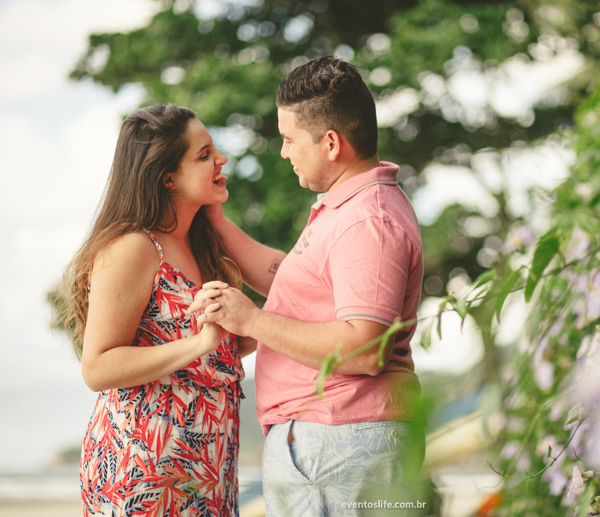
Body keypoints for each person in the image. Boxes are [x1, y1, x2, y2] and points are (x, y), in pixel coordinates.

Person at [189, 55, 426, 515]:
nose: (284, 152)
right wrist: (216, 221)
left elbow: (364, 349)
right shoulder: (351, 208)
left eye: (289, 139)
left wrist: (251, 320)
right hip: (337, 443)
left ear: (331, 143)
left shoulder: (367, 221)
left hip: (339, 443)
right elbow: (287, 278)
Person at [58, 104, 256, 516]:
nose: (221, 159)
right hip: (144, 472)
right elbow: (98, 367)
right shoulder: (134, 247)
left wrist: (250, 331)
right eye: (204, 155)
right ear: (169, 177)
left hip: (208, 468)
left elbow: (213, 354)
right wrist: (199, 342)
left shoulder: (204, 244)